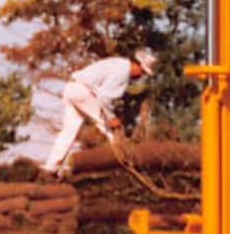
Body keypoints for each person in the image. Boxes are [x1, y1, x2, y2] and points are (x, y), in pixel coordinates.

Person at [41, 48, 157, 177]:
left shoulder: (119, 64)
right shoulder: (124, 71)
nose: (141, 75)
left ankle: (50, 169)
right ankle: (126, 160)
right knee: (108, 126)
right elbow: (105, 98)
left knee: (68, 133)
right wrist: (112, 117)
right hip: (83, 91)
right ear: (136, 65)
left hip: (71, 89)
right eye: (142, 71)